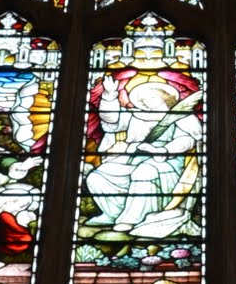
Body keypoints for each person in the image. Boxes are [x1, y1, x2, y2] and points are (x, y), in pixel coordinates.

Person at [82, 71, 203, 238]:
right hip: (132, 158)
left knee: (145, 171)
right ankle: (112, 214)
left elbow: (188, 139)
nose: (146, 101)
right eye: (143, 98)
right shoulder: (135, 115)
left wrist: (163, 150)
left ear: (165, 98)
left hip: (167, 160)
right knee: (97, 176)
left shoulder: (179, 116)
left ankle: (133, 219)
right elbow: (111, 120)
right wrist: (110, 96)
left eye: (152, 97)